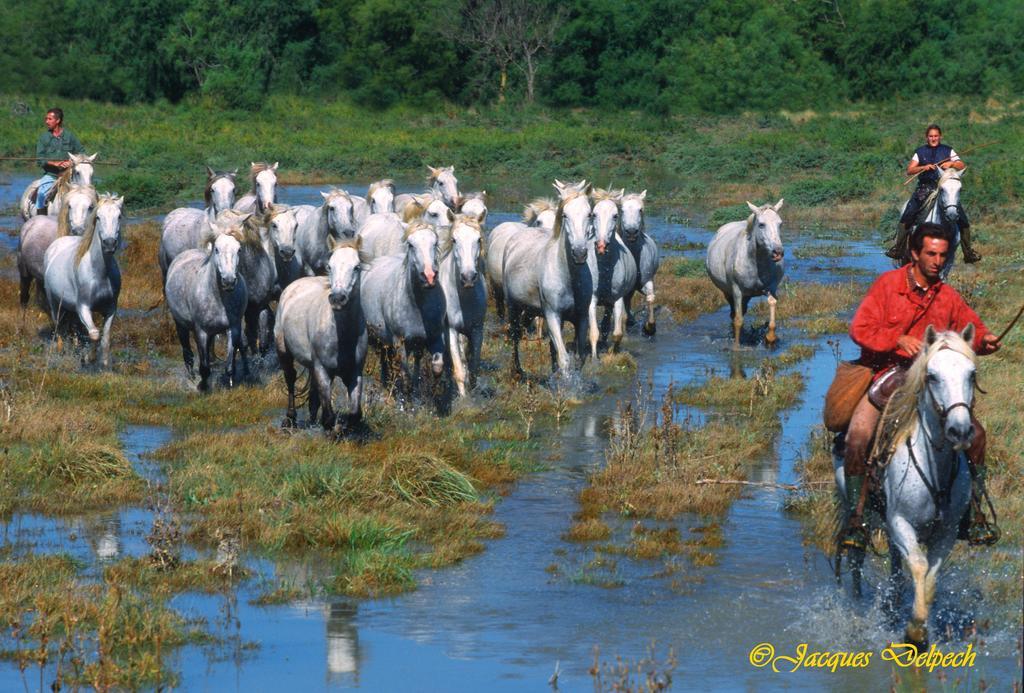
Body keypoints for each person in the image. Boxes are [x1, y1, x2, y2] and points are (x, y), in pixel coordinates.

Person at [842, 222, 1000, 551]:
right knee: (858, 435)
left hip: (933, 381)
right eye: (931, 254)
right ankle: (856, 519)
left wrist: (985, 340)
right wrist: (895, 339)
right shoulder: (888, 285)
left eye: (943, 255)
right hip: (887, 374)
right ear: (914, 253)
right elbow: (860, 327)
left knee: (978, 435)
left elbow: (974, 328)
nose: (937, 261)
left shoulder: (948, 296)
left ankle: (973, 512)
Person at [888, 124, 980, 263]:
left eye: (936, 136)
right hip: (925, 188)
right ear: (927, 137)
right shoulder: (920, 152)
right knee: (909, 213)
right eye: (931, 136)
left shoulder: (948, 150)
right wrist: (923, 167)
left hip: (945, 188)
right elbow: (910, 170)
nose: (933, 138)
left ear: (940, 137)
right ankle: (898, 248)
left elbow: (962, 165)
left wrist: (951, 164)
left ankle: (968, 252)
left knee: (963, 220)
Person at [35, 107, 84, 213]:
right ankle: (40, 217)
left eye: (49, 119)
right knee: (41, 194)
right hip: (51, 175)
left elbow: (82, 152)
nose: (46, 121)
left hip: (70, 176)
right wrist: (54, 164)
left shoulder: (69, 136)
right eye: (46, 119)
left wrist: (71, 162)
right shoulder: (43, 138)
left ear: (58, 120)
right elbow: (40, 159)